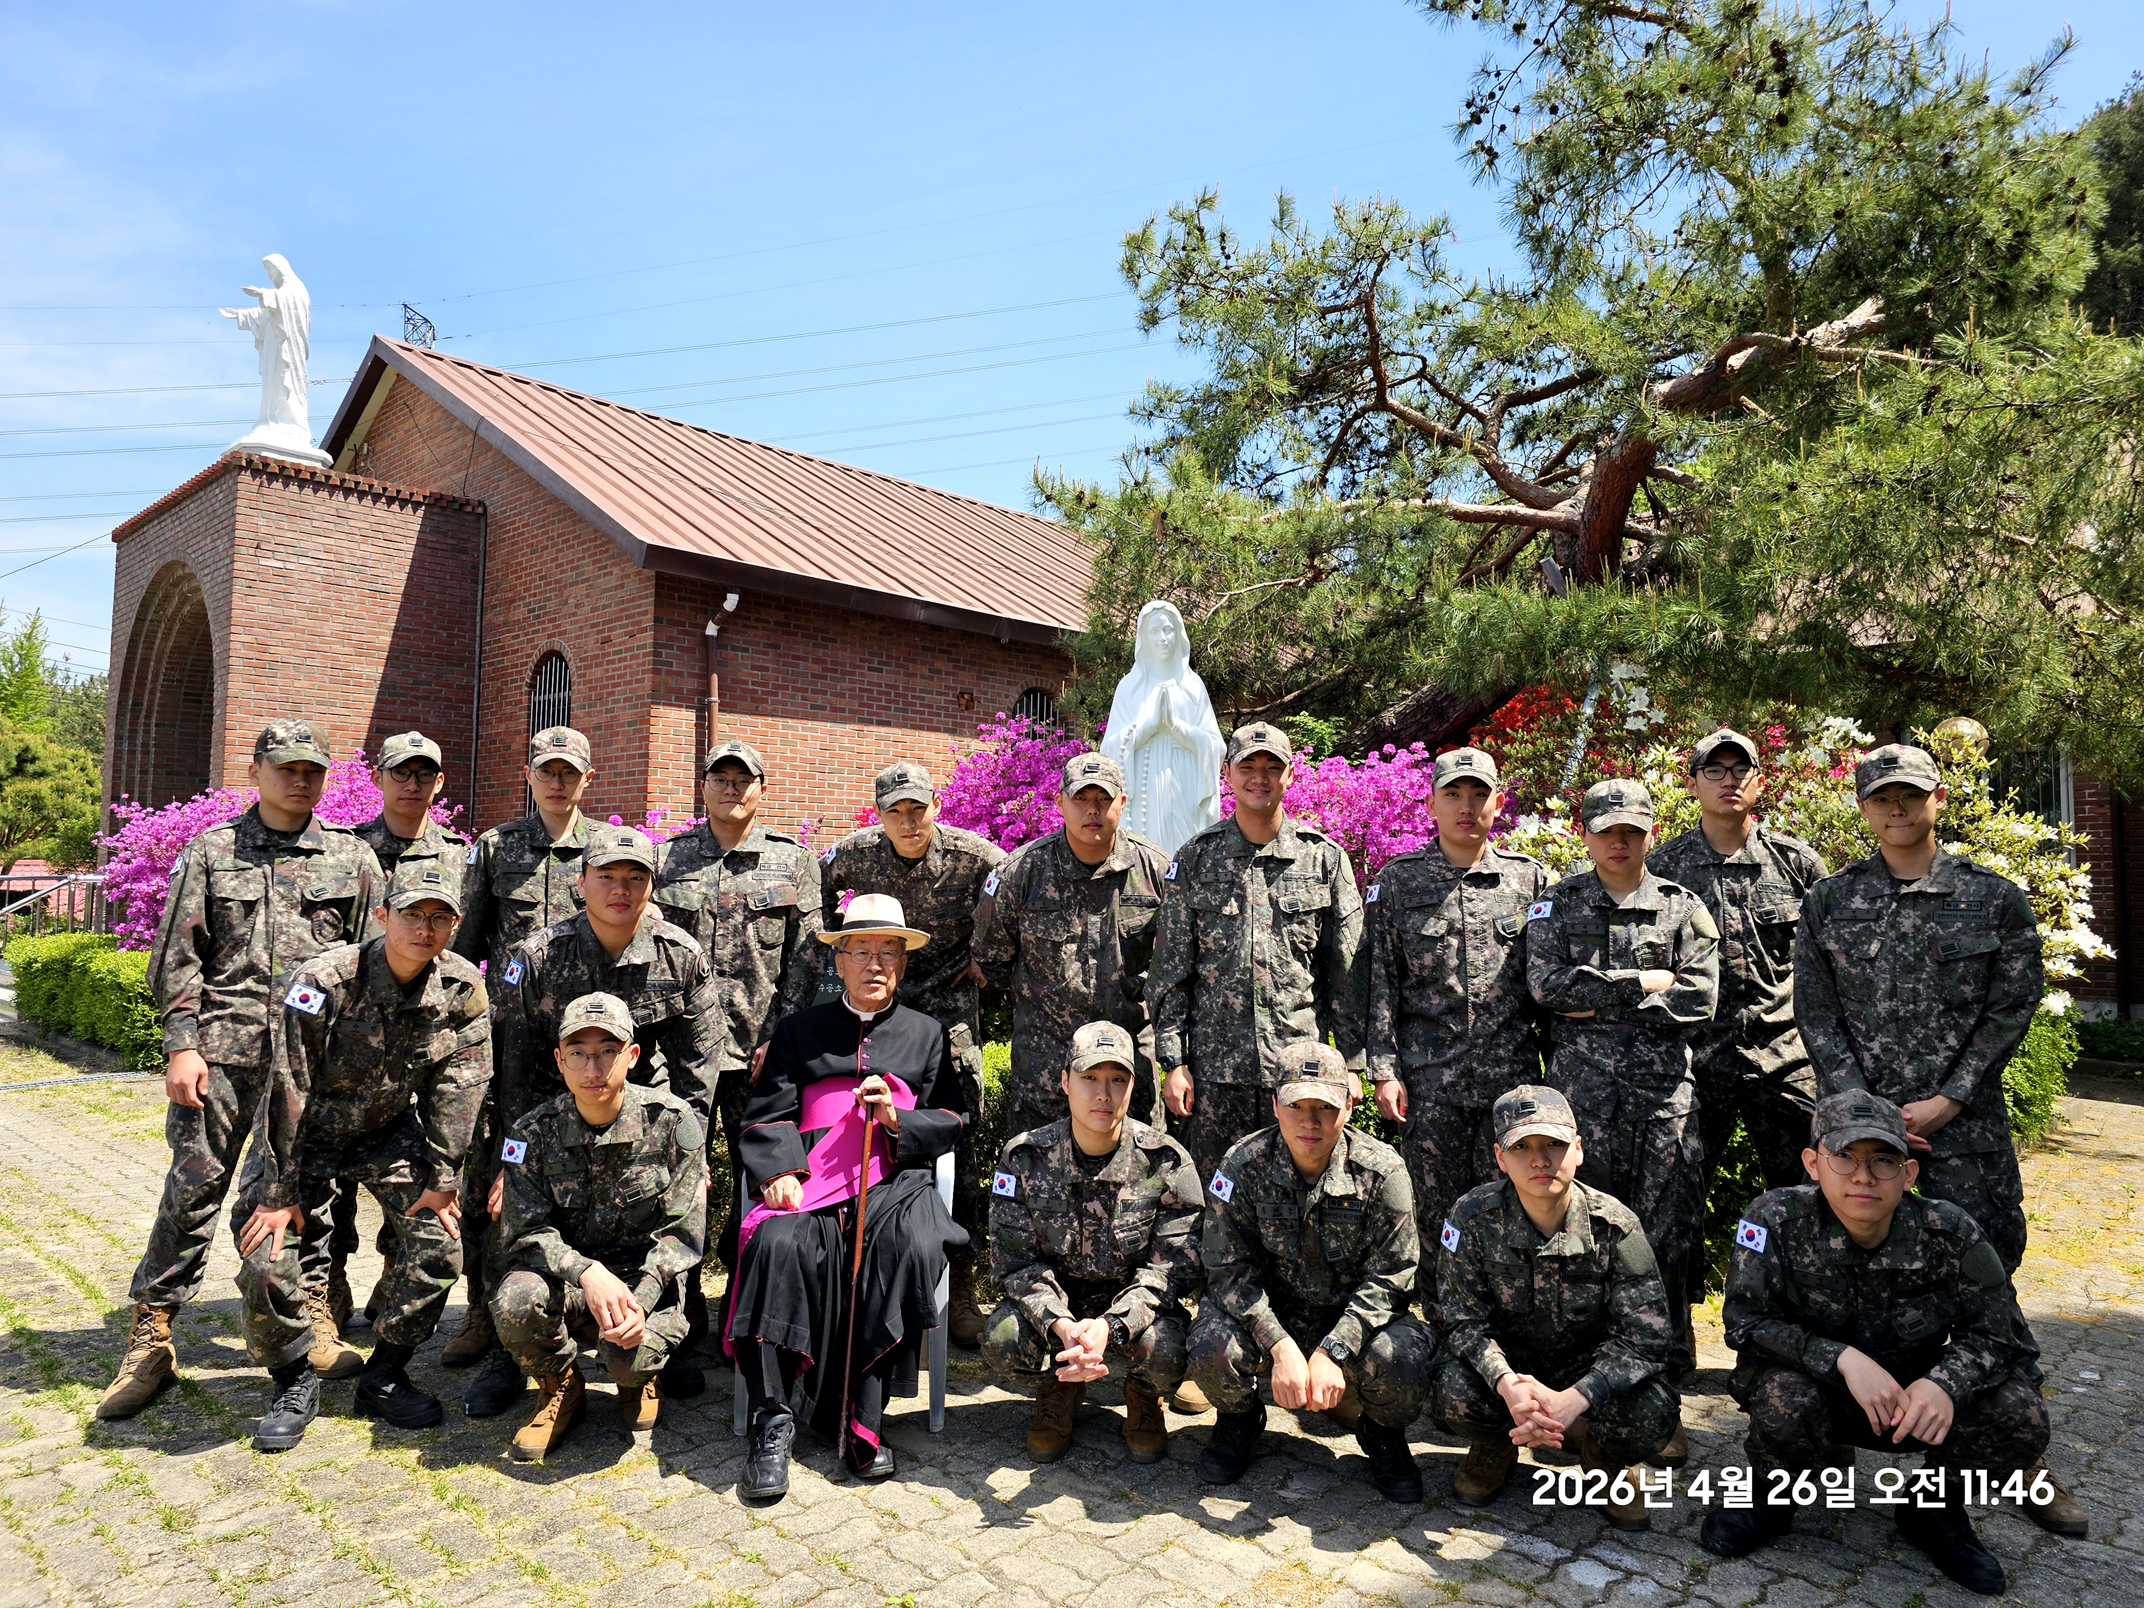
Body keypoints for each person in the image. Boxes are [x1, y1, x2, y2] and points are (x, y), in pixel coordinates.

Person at [1791, 742, 2082, 1534]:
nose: (1897, 810)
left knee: (1989, 1273)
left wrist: (1952, 1098)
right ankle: (1847, 1423)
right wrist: (1865, 1113)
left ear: (1938, 798)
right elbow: (1816, 1012)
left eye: (1910, 796)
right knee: (1846, 1271)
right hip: (1860, 1134)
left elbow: (2011, 1004)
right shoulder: (1831, 902)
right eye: (1882, 798)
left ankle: (2020, 1457)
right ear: (1862, 807)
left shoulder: (1992, 899)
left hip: (1965, 1131)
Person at [98, 720, 385, 1421]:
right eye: (286, 766)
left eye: (313, 770)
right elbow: (178, 955)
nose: (300, 779)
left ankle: (308, 1315)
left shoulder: (353, 861)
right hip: (221, 1058)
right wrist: (181, 1044)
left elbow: (372, 965)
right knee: (192, 1190)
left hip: (311, 1067)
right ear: (256, 769)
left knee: (305, 1193)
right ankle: (153, 1333)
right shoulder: (213, 851)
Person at [1702, 1092, 2058, 1596]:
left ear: (1909, 1174)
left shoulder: (1950, 1230)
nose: (1863, 1177)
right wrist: (1843, 1360)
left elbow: (2005, 1337)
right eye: (1844, 1157)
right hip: (1823, 1394)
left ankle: (1932, 1509)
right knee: (1784, 1397)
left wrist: (1944, 1385)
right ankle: (1772, 1494)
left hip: (1915, 1406)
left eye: (1883, 1160)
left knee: (2021, 1414)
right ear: (1813, 1164)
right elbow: (1745, 1322)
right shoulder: (1772, 1218)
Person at [463, 824, 733, 1420]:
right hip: (548, 1110)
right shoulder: (535, 958)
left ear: (651, 886)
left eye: (635, 878)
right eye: (606, 877)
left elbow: (700, 1064)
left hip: (649, 1111)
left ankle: (666, 1333)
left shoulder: (681, 956)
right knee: (508, 1211)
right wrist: (515, 1158)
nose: (621, 889)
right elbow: (512, 1066)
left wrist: (692, 1152)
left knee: (664, 1216)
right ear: (580, 884)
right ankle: (510, 1348)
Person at [231, 860, 489, 1451]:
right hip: (305, 1136)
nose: (425, 928)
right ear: (381, 916)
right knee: (267, 1258)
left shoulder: (461, 986)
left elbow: (463, 1083)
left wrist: (445, 1174)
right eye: (411, 914)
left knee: (440, 1243)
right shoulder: (323, 981)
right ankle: (293, 1379)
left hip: (386, 1132)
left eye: (440, 917)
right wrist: (278, 1193)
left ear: (453, 926)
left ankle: (385, 1372)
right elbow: (286, 1083)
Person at [727, 895, 969, 1499]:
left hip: (894, 1182)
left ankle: (866, 1421)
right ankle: (772, 1420)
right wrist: (777, 1171)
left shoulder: (928, 1034)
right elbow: (764, 1117)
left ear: (904, 963)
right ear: (839, 959)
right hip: (810, 1181)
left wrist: (895, 1121)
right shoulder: (798, 1032)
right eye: (861, 951)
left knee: (909, 1243)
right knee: (778, 1241)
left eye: (889, 951)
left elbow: (953, 1119)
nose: (875, 963)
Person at [1525, 777, 1718, 1463]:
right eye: (1606, 829)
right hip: (1581, 1111)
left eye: (1631, 829)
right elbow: (1547, 987)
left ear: (1648, 832)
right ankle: (1579, 1398)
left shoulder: (1682, 906)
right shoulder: (1557, 903)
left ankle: (1657, 1402)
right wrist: (1645, 981)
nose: (1619, 841)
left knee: (1662, 1249)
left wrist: (1597, 993)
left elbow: (1700, 998)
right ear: (1586, 833)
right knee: (1585, 1250)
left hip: (1662, 1107)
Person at [1187, 1042, 1432, 1504]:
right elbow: (1225, 1266)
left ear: (1349, 1105)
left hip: (1349, 1316)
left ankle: (1381, 1432)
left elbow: (1393, 1275)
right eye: (1297, 1105)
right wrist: (1279, 1346)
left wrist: (1335, 1349)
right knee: (1209, 1344)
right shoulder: (1243, 1164)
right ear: (1275, 1104)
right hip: (1272, 1314)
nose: (1310, 1121)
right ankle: (1240, 1420)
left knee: (1406, 1358)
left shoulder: (1382, 1172)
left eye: (1325, 1106)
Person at [819, 761, 1005, 1346]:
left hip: (947, 1005)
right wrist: (836, 961)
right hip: (874, 997)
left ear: (936, 808)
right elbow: (815, 894)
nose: (908, 820)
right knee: (855, 1116)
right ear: (879, 814)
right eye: (895, 810)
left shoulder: (976, 856)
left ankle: (964, 1285)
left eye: (917, 809)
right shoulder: (854, 854)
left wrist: (987, 953)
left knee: (959, 1133)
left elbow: (1014, 887)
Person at [1431, 1086, 1677, 1529]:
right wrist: (1507, 1384)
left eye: (1554, 1145)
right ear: (1500, 1158)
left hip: (1588, 1371)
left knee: (1654, 1412)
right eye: (1521, 1147)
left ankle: (1602, 1457)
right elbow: (1460, 1319)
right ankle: (1497, 1444)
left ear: (1578, 1150)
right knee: (1452, 1388)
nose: (1540, 1160)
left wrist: (1578, 1398)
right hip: (1511, 1368)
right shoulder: (1471, 1217)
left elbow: (1648, 1337)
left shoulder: (1615, 1226)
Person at [493, 993, 710, 1463]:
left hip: (645, 1278)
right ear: (560, 1060)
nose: (593, 1068)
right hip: (572, 1279)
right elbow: (522, 1232)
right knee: (514, 1300)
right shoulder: (531, 1133)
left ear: (632, 1056)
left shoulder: (673, 1124)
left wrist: (642, 1300)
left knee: (628, 1360)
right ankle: (560, 1386)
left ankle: (638, 1378)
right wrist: (587, 1273)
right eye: (578, 1053)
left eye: (607, 1051)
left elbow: (683, 1235)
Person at [1151, 722, 1366, 1189]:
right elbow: (1171, 972)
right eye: (1248, 766)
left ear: (1290, 774)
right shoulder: (1195, 859)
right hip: (1213, 1074)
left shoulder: (1324, 859)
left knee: (1295, 1201)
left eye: (1272, 767)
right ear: (1227, 773)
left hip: (1299, 1075)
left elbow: (1346, 973)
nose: (1259, 778)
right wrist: (1173, 1062)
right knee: (1212, 1202)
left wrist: (1350, 1063)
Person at [444, 726, 598, 1370]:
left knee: (584, 1170)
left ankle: (577, 1305)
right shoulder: (495, 848)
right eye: (546, 770)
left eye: (569, 772)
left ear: (588, 778)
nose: (557, 782)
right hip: (511, 1046)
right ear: (529, 775)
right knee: (495, 1169)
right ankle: (485, 1306)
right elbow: (464, 947)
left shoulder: (613, 850)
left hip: (591, 1043)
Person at [983, 1021, 1202, 1465]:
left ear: (1133, 1087)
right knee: (1003, 1339)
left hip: (1131, 1306)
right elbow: (1015, 1266)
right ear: (1065, 1082)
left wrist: (1112, 1325)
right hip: (1058, 1306)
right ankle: (1058, 1387)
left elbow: (1171, 1271)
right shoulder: (1024, 1158)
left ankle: (1144, 1396)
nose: (1103, 1093)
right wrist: (1062, 1326)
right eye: (1089, 1078)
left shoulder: (1165, 1161)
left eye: (1117, 1079)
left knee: (1171, 1350)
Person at [1365, 746, 1548, 1259]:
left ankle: (1500, 1330)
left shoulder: (1529, 880)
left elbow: (1544, 989)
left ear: (1498, 802)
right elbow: (1380, 980)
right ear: (1431, 804)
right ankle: (1442, 1329)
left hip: (1509, 1086)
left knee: (1509, 1215)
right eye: (1453, 795)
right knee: (1435, 1217)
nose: (1467, 807)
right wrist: (1383, 1071)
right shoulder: (1398, 882)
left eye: (1479, 795)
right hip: (1429, 1084)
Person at [333, 729, 470, 1330]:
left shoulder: (463, 856)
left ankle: (396, 1280)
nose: (412, 784)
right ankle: (326, 1283)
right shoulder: (349, 851)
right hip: (354, 1039)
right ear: (378, 777)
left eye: (424, 774)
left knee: (413, 1162)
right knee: (336, 1164)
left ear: (439, 782)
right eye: (400, 772)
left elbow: (475, 941)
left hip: (429, 1034)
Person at [972, 751, 1171, 1138]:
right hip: (1046, 1068)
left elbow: (1177, 966)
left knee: (1139, 1183)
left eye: (1103, 798)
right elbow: (989, 959)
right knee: (1037, 1183)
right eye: (1080, 798)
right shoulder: (1021, 872)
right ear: (1060, 801)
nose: (1092, 810)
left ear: (1122, 803)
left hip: (1127, 1066)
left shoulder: (1156, 872)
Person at [652, 736, 824, 1164]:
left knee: (762, 1176)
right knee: (677, 1171)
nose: (731, 789)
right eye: (721, 779)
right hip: (683, 1051)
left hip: (757, 1054)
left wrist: (780, 1039)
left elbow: (807, 960)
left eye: (743, 781)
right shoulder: (664, 861)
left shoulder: (794, 862)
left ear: (762, 789)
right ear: (703, 787)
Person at [1099, 599, 1227, 856]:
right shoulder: (1130, 687)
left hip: (1185, 785)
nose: (1163, 638)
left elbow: (1216, 745)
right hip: (1142, 789)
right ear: (1143, 637)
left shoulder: (1192, 686)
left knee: (1185, 854)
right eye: (1154, 632)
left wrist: (1177, 728)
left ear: (1178, 633)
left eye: (1168, 630)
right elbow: (1109, 749)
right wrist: (1150, 727)